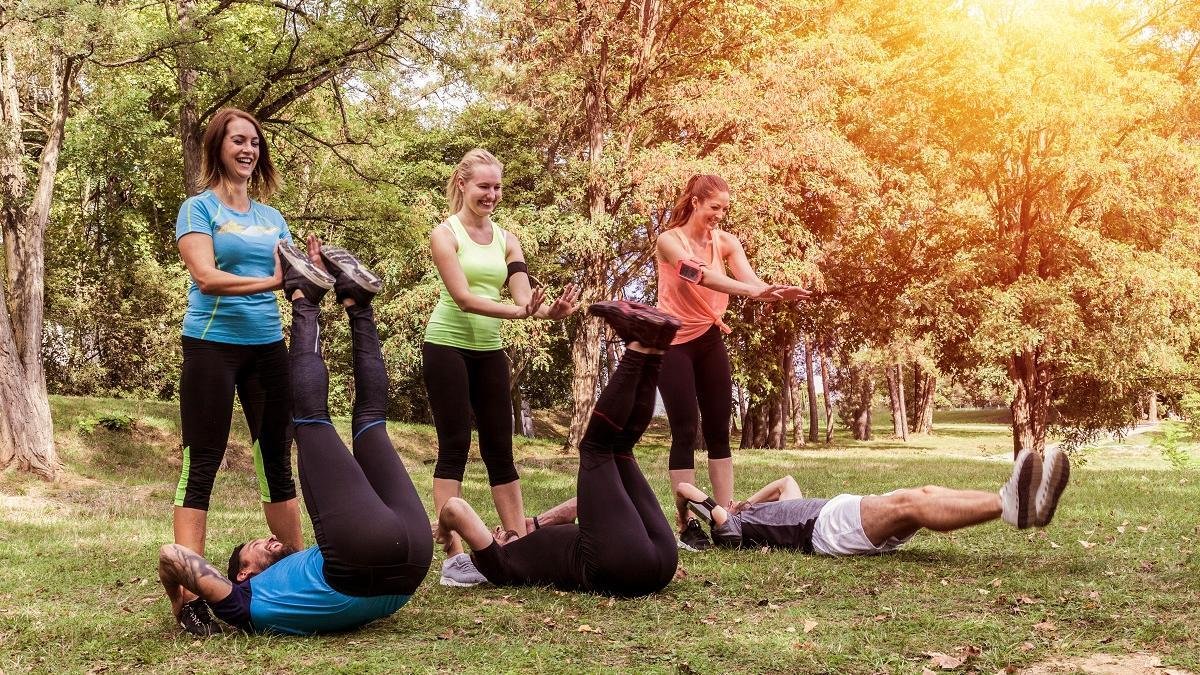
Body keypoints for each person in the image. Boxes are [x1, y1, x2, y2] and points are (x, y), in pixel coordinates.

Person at [158, 244, 433, 636]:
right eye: (253, 546)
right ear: (243, 573)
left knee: (372, 422)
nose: (269, 538)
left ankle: (359, 304)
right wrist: (184, 600)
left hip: (407, 571)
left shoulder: (281, 578)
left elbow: (173, 554)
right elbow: (172, 555)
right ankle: (303, 296)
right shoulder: (242, 601)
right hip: (369, 559)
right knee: (310, 419)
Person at [435, 301, 679, 596]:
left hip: (656, 560)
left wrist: (537, 522)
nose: (496, 530)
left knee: (621, 449)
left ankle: (655, 348)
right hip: (617, 566)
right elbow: (454, 508)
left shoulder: (529, 547)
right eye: (492, 536)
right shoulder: (502, 566)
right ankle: (638, 348)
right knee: (595, 448)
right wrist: (447, 531)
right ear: (485, 556)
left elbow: (584, 506)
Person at [172, 108, 304, 633]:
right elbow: (205, 277)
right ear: (218, 148)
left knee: (277, 458)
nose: (248, 150)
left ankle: (299, 570)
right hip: (212, 345)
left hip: (267, 347)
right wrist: (275, 281)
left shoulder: (273, 218)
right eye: (238, 142)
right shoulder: (197, 209)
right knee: (200, 463)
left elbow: (293, 277)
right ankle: (188, 597)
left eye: (254, 143)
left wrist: (315, 274)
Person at [425, 148, 580, 586]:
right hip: (446, 345)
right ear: (462, 184)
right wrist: (518, 314)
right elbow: (464, 297)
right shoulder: (445, 234)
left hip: (488, 349)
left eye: (496, 187)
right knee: (454, 444)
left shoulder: (507, 239)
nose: (491, 194)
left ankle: (516, 541)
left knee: (499, 446)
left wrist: (547, 312)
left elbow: (522, 294)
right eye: (483, 186)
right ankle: (453, 556)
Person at [654, 174, 811, 552]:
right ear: (695, 202)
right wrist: (756, 291)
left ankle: (728, 517)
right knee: (685, 429)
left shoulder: (726, 242)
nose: (720, 216)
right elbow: (700, 276)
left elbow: (750, 280)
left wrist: (769, 292)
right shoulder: (669, 242)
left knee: (720, 428)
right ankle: (687, 523)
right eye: (714, 208)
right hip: (672, 342)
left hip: (708, 339)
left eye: (725, 209)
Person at [673, 448, 1070, 557]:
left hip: (833, 513)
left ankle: (1019, 501)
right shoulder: (733, 530)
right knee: (910, 505)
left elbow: (786, 482)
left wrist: (747, 500)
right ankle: (1010, 505)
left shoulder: (753, 513)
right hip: (824, 529)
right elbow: (689, 493)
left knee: (923, 494)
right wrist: (684, 520)